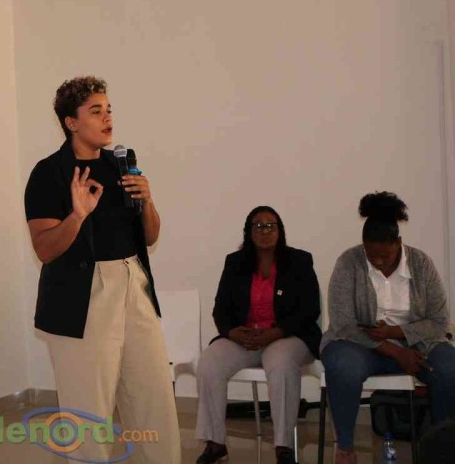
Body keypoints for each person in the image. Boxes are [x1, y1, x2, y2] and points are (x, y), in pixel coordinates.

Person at [23, 76, 180, 463]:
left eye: (109, 110)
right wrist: (77, 216)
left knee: (154, 399)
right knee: (88, 412)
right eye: (96, 111)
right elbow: (44, 248)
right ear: (71, 122)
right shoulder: (49, 173)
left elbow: (151, 235)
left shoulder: (121, 167)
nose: (107, 118)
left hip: (133, 284)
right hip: (82, 296)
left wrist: (148, 201)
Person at [321, 191, 455, 464]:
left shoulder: (421, 264)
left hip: (417, 345)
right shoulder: (349, 263)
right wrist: (396, 351)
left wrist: (396, 334)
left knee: (449, 368)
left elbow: (440, 321)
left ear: (399, 243)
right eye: (372, 255)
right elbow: (344, 324)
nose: (379, 262)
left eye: (385, 255)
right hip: (359, 346)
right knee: (342, 366)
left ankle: (444, 450)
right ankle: (345, 449)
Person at [195, 206, 321, 464]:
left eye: (271, 225)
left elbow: (310, 309)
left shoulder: (299, 261)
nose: (265, 231)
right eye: (259, 226)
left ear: (280, 230)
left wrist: (275, 333)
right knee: (209, 362)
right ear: (249, 232)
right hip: (246, 338)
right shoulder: (235, 263)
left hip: (287, 337)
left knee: (281, 363)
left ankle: (283, 446)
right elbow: (220, 308)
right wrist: (232, 332)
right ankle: (215, 443)